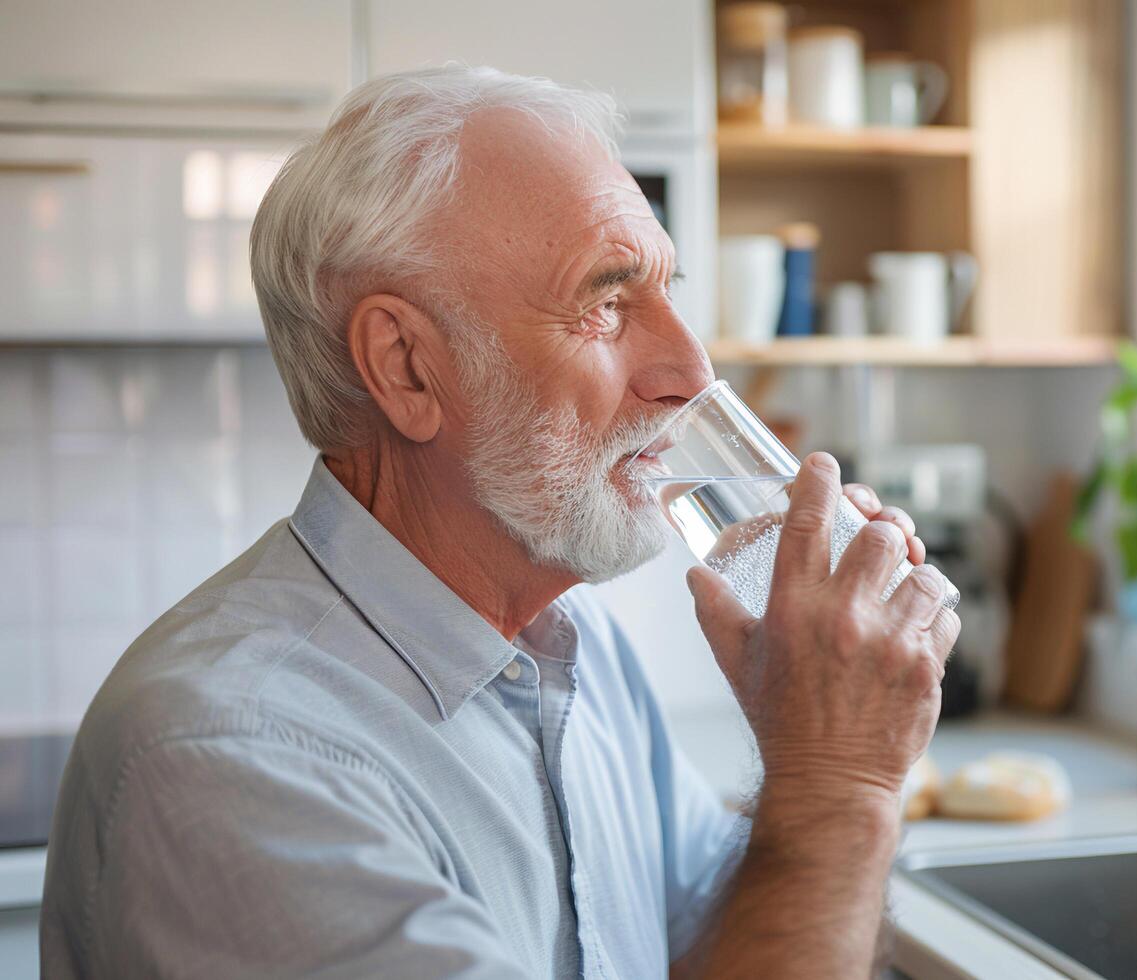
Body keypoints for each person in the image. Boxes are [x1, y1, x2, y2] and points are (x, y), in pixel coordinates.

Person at [40, 65, 959, 978]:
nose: (690, 369)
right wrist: (836, 786)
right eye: (605, 303)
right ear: (406, 368)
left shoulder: (578, 654)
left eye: (668, 292)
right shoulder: (233, 757)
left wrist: (812, 733)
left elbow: (717, 950)